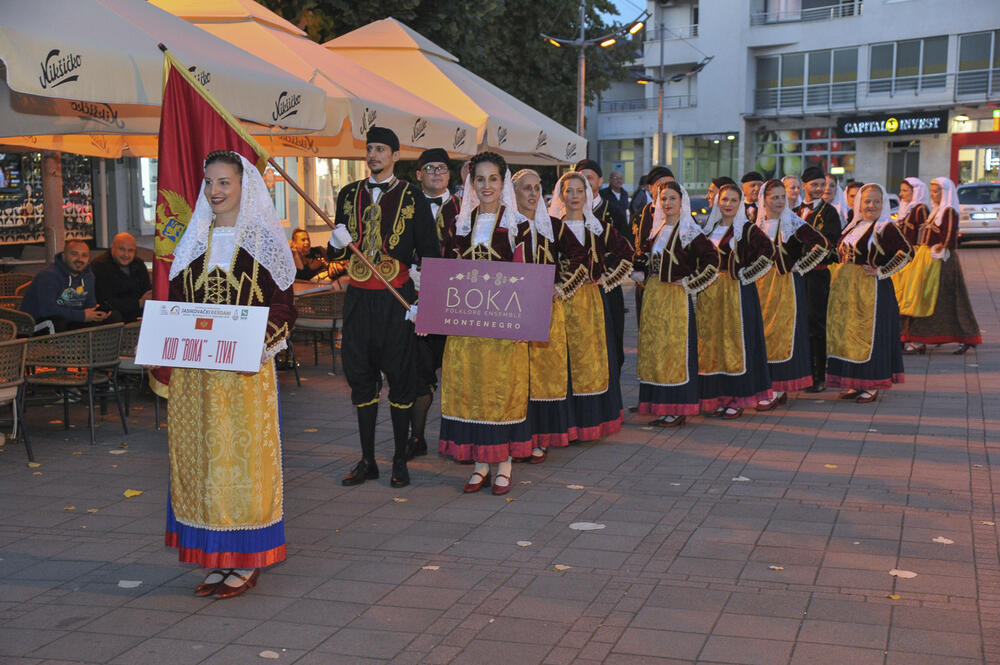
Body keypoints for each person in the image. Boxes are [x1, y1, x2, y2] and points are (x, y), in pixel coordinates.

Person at [164, 150, 297, 600]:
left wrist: (254, 344)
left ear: (244, 187)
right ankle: (217, 560)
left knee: (241, 466)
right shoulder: (193, 240)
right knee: (204, 466)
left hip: (243, 376)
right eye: (209, 183)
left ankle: (245, 559)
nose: (215, 191)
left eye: (224, 182)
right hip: (197, 377)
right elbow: (177, 302)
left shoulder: (262, 241)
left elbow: (284, 306)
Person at [328, 127, 439, 489]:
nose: (373, 154)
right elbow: (337, 255)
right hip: (359, 299)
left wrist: (423, 303)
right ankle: (366, 460)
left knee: (401, 378)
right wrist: (335, 242)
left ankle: (399, 460)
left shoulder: (413, 196)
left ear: (394, 155)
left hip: (397, 298)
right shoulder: (349, 194)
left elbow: (432, 255)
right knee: (360, 376)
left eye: (380, 149)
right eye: (370, 148)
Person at [438, 152, 531, 495]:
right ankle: (479, 464)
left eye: (493, 178)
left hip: (504, 330)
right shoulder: (459, 225)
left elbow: (528, 278)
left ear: (503, 182)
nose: (486, 185)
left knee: (500, 392)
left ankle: (504, 464)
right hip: (466, 329)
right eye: (480, 179)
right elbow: (447, 275)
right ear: (471, 183)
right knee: (472, 390)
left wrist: (523, 325)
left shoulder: (518, 226)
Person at [549, 171, 632, 439]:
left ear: (587, 194)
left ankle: (590, 421)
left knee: (591, 360)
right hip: (560, 304)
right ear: (560, 195)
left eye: (579, 190)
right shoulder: (552, 227)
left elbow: (627, 253)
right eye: (568, 191)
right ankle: (566, 423)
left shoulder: (598, 227)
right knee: (564, 361)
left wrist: (605, 278)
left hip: (590, 304)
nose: (574, 196)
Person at [634, 180, 720, 427]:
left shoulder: (689, 231)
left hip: (675, 300)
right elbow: (644, 258)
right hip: (653, 297)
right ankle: (659, 405)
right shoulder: (657, 229)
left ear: (682, 201)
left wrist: (689, 282)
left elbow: (712, 260)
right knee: (655, 349)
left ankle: (677, 407)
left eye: (672, 198)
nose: (667, 203)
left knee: (674, 351)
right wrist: (639, 270)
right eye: (663, 198)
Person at [827, 183, 911, 403]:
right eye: (867, 201)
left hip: (871, 290)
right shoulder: (853, 226)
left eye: (876, 201)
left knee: (871, 336)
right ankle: (855, 381)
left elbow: (906, 252)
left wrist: (882, 270)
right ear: (858, 203)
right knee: (850, 335)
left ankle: (872, 383)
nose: (871, 205)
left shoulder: (885, 227)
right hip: (847, 290)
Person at [696, 184, 775, 418]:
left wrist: (746, 275)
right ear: (717, 202)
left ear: (739, 203)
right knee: (713, 344)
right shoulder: (709, 229)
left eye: (733, 200)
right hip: (710, 294)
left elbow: (768, 253)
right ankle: (719, 396)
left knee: (736, 344)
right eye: (724, 200)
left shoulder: (746, 230)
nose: (727, 204)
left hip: (737, 295)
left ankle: (736, 398)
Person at [514, 168, 576, 461]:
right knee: (516, 375)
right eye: (526, 188)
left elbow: (582, 255)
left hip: (546, 312)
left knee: (540, 376)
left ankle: (538, 436)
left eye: (537, 188)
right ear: (512, 192)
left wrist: (561, 285)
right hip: (512, 312)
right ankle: (514, 438)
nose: (533, 193)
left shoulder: (552, 226)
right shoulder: (505, 227)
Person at [754, 179, 830, 410]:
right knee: (762, 334)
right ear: (764, 200)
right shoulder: (756, 226)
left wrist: (802, 264)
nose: (778, 201)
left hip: (786, 285)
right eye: (773, 197)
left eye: (781, 197)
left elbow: (823, 243)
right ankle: (768, 385)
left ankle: (778, 387)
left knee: (782, 333)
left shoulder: (794, 222)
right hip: (759, 286)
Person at [406, 147, 459, 459]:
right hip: (415, 297)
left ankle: (458, 438)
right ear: (419, 174)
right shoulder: (407, 205)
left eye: (441, 168)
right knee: (419, 370)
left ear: (448, 174)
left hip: (456, 300)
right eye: (430, 168)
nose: (436, 173)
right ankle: (417, 436)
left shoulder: (467, 208)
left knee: (458, 371)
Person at [900, 177, 981, 354]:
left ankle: (963, 336)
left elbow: (949, 237)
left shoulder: (949, 211)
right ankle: (921, 340)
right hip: (931, 261)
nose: (933, 195)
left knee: (946, 300)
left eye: (937, 191)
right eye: (932, 191)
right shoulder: (936, 211)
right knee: (931, 300)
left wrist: (941, 246)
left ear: (946, 193)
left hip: (943, 263)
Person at [577, 159, 630, 373]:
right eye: (581, 178)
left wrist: (605, 271)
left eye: (589, 178)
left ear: (599, 180)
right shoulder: (569, 212)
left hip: (607, 287)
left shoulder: (613, 211)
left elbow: (626, 249)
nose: (586, 183)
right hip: (577, 289)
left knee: (611, 336)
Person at [795, 166, 842, 392]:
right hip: (795, 277)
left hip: (817, 275)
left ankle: (818, 376)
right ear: (803, 185)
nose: (819, 189)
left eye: (822, 185)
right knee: (798, 322)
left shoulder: (829, 212)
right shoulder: (794, 211)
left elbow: (830, 242)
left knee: (816, 323)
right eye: (814, 184)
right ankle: (801, 372)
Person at [22, 239, 112, 331]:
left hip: (70, 319)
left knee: (112, 318)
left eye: (84, 255)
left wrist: (98, 313)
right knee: (59, 322)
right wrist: (82, 316)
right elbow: (47, 310)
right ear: (64, 256)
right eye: (74, 254)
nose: (79, 259)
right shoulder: (49, 276)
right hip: (36, 325)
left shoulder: (88, 276)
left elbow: (90, 305)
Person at [91, 232, 152, 323]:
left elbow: (147, 292)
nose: (126, 255)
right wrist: (138, 303)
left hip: (138, 313)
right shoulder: (99, 266)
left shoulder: (138, 264)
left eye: (130, 250)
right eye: (122, 249)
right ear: (112, 247)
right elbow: (106, 301)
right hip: (114, 318)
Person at [895, 177, 929, 247]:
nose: (900, 194)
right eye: (901, 190)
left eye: (904, 191)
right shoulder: (906, 208)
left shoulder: (920, 209)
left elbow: (923, 236)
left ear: (916, 192)